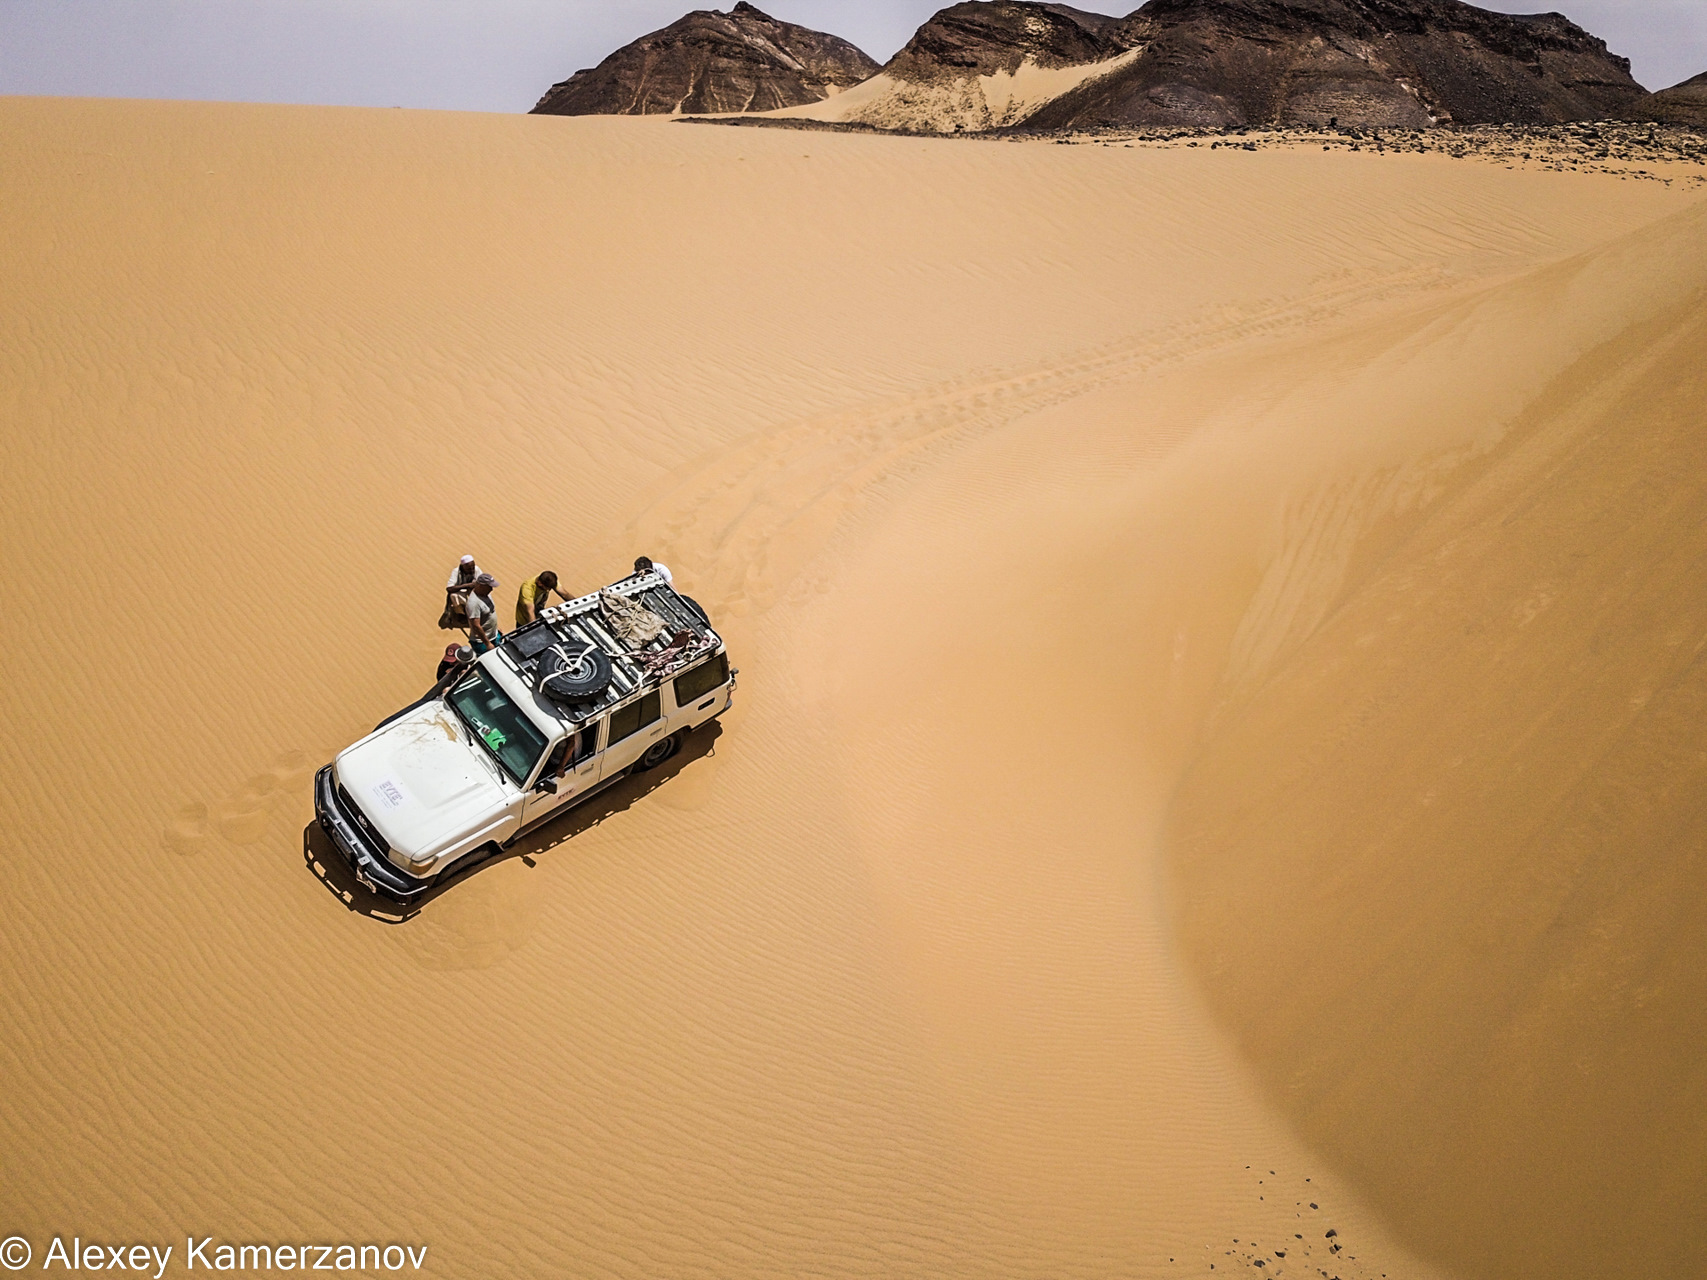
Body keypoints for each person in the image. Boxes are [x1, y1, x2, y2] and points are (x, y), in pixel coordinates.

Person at [441, 555, 481, 630]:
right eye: (469, 568)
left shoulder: (476, 569)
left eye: (473, 567)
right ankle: (461, 614)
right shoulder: (456, 572)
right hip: (462, 593)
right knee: (453, 595)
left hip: (473, 593)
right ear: (463, 567)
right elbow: (449, 588)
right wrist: (467, 585)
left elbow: (481, 582)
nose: (472, 570)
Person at [465, 573, 502, 652]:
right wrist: (487, 643)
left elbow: (491, 612)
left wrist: (496, 628)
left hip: (494, 634)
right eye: (489, 587)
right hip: (482, 642)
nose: (491, 589)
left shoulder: (486, 594)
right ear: (481, 586)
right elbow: (476, 625)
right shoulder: (473, 603)